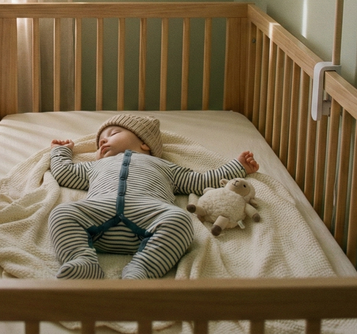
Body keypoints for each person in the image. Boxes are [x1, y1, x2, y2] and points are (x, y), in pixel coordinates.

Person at [48, 113, 260, 279]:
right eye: (99, 143)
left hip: (149, 220)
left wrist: (237, 167)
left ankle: (142, 268)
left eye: (112, 134)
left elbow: (202, 181)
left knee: (180, 221)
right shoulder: (95, 166)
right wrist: (60, 152)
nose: (102, 143)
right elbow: (66, 174)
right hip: (98, 217)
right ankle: (82, 260)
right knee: (61, 213)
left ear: (145, 143)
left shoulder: (164, 166)